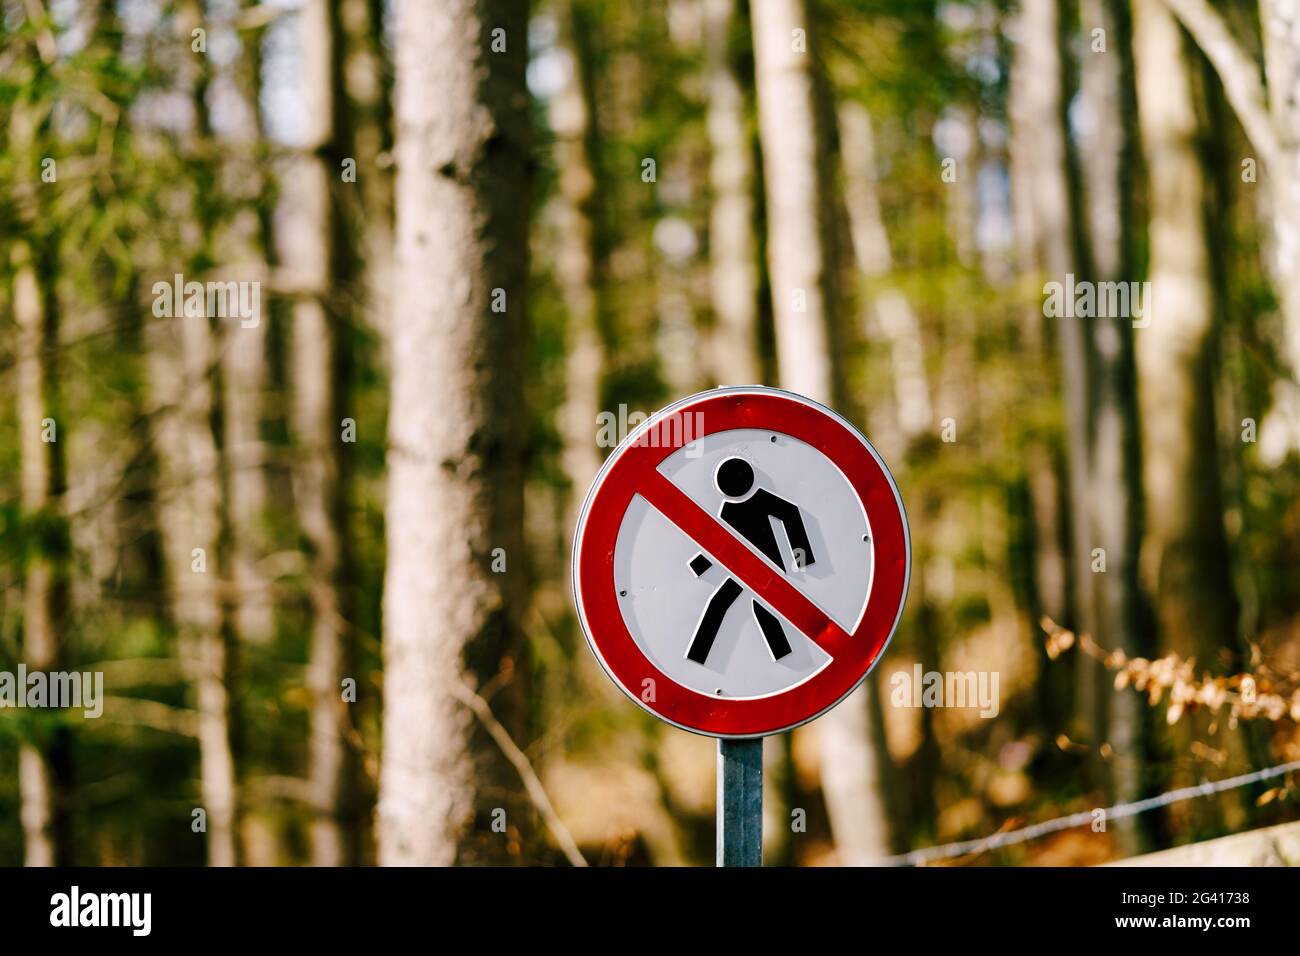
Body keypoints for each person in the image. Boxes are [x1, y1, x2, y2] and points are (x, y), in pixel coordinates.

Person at [686, 457, 815, 665]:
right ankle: (789, 658)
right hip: (741, 571)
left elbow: (790, 514)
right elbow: (719, 544)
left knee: (740, 607)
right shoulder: (727, 509)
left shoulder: (761, 499)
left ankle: (698, 657)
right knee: (737, 606)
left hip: (766, 569)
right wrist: (701, 565)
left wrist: (802, 557)